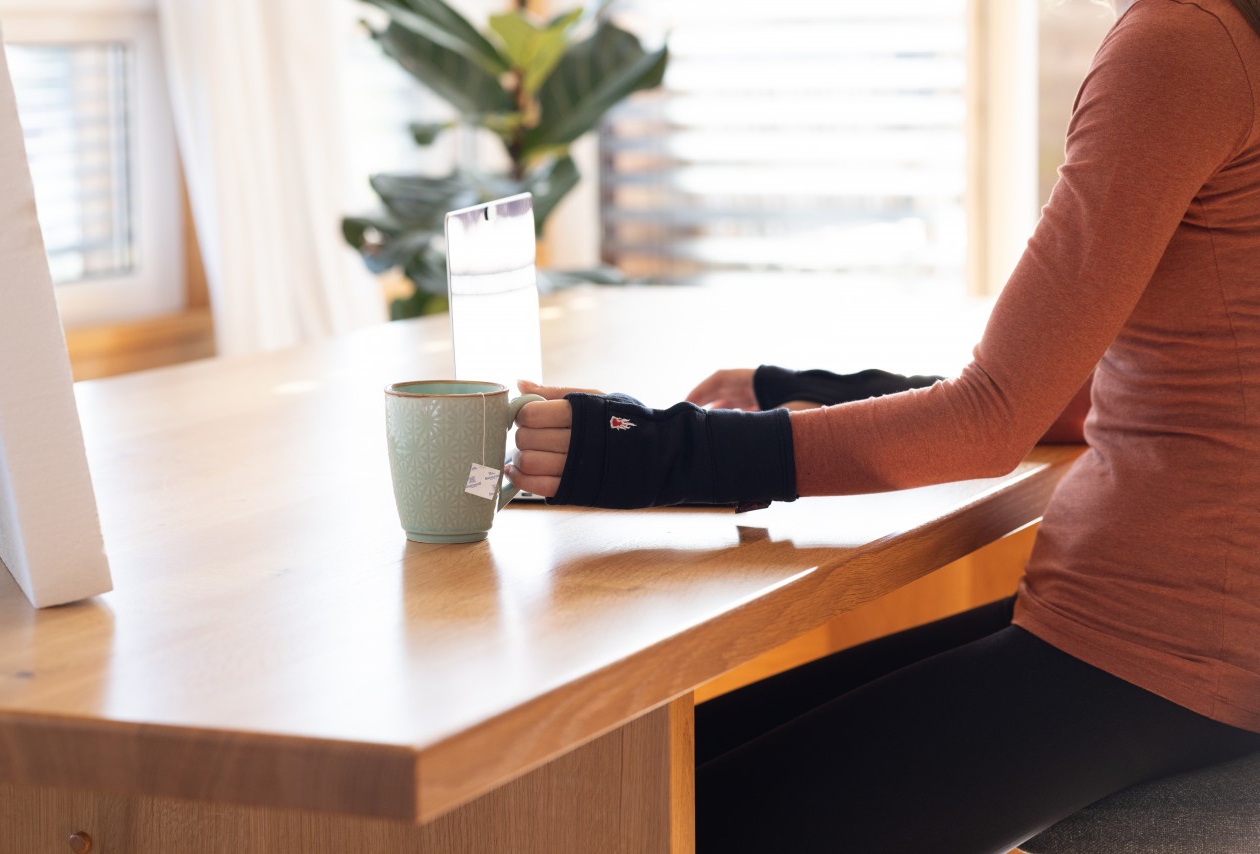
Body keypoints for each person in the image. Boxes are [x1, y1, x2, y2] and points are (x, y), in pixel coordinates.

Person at [506, 0, 1260, 850]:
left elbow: (991, 422)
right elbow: (1118, 390)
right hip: (1201, 645)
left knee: (643, 820)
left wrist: (654, 453)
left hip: (1163, 651)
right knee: (655, 764)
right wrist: (817, 394)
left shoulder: (1184, 46)